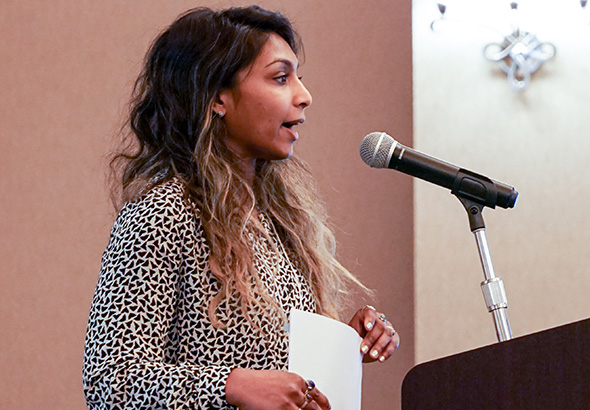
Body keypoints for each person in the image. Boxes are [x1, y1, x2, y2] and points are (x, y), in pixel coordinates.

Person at [82, 6, 399, 410]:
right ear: (218, 97)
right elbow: (111, 380)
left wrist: (344, 344)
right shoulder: (165, 211)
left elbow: (275, 373)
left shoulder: (279, 220)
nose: (304, 95)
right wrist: (230, 386)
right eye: (281, 78)